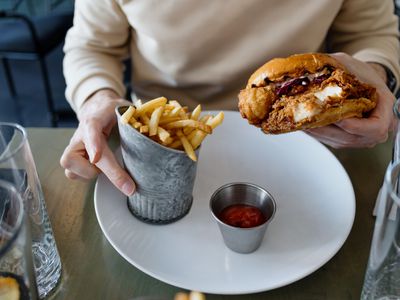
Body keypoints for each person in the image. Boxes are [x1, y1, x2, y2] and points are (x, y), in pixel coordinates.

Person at [60, 0, 400, 196]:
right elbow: (92, 46)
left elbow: (371, 33)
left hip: (313, 143)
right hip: (161, 138)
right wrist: (97, 99)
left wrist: (375, 76)